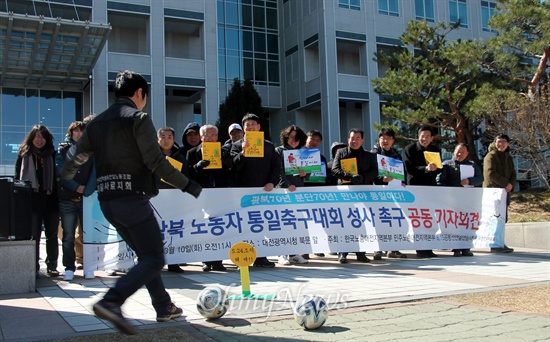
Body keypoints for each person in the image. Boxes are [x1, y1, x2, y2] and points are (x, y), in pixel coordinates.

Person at [62, 70, 202, 334]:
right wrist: (188, 185)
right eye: (145, 97)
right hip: (133, 199)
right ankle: (111, 301)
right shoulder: (138, 118)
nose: (144, 102)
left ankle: (164, 306)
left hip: (108, 201)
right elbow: (155, 162)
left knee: (145, 255)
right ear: (139, 93)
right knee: (154, 257)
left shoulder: (97, 123)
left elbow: (75, 159)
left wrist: (67, 176)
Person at [231, 113, 282, 268]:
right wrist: (243, 153)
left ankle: (261, 257)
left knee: (261, 225)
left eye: (253, 124)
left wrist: (272, 182)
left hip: (264, 192)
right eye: (247, 124)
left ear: (259, 127)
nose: (250, 126)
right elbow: (232, 167)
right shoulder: (236, 145)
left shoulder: (268, 145)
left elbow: (276, 167)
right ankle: (242, 258)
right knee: (244, 226)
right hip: (243, 193)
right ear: (243, 128)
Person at [15, 124, 60, 277]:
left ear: (47, 139)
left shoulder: (53, 154)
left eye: (43, 137)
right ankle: (33, 266)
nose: (39, 140)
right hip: (32, 202)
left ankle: (52, 265)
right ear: (31, 138)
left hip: (51, 201)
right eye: (37, 136)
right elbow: (17, 179)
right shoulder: (24, 155)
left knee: (52, 235)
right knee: (34, 235)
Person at [56, 119, 97, 281]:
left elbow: (95, 171)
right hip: (67, 198)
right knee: (68, 236)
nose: (79, 134)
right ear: (71, 133)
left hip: (86, 200)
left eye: (82, 131)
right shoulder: (63, 150)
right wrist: (76, 187)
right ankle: (69, 267)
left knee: (89, 235)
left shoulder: (91, 151)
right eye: (76, 131)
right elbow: (60, 171)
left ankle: (89, 266)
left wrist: (87, 189)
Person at [187, 124, 230, 272]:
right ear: (201, 137)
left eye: (212, 135)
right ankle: (206, 260)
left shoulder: (224, 152)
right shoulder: (192, 153)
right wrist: (197, 167)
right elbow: (187, 174)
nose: (209, 138)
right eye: (206, 135)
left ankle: (218, 260)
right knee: (203, 228)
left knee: (219, 227)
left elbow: (231, 171)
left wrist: (224, 161)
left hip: (219, 195)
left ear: (217, 137)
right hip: (201, 195)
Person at [331, 128, 378, 264]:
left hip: (363, 192)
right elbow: (334, 170)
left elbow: (375, 171)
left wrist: (362, 177)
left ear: (362, 140)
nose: (354, 141)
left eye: (358, 138)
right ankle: (342, 253)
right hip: (345, 192)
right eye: (352, 138)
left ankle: (361, 252)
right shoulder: (341, 152)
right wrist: (350, 176)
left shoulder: (369, 156)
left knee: (362, 222)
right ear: (348, 139)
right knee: (344, 222)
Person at [436, 143, 484, 256]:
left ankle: (466, 246)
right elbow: (439, 180)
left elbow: (480, 178)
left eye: (463, 152)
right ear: (454, 152)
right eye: (458, 151)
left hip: (468, 200)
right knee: (454, 223)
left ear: (467, 153)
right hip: (451, 200)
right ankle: (455, 246)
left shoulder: (472, 165)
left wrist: (469, 181)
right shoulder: (447, 164)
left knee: (466, 222)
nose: (460, 154)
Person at [403, 125, 441, 259]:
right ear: (418, 136)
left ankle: (428, 247)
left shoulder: (435, 150)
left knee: (430, 218)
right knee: (418, 218)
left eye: (427, 137)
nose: (424, 139)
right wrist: (425, 169)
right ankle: (420, 248)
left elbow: (440, 169)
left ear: (432, 138)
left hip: (430, 188)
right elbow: (409, 169)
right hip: (415, 188)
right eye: (422, 136)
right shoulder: (410, 149)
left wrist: (435, 168)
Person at [156, 126, 189, 273]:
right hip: (155, 198)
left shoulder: (180, 157)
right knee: (155, 231)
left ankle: (173, 262)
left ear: (173, 139)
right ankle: (155, 263)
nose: (166, 140)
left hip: (174, 200)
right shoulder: (151, 156)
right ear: (158, 139)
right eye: (163, 136)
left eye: (169, 137)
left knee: (173, 231)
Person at [371, 128, 407, 260]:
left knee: (394, 220)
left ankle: (393, 248)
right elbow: (371, 173)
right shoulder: (374, 154)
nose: (385, 141)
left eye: (388, 138)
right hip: (378, 193)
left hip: (394, 193)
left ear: (392, 140)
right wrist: (382, 180)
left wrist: (403, 181)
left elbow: (402, 171)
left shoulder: (396, 154)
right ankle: (377, 249)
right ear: (379, 139)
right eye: (383, 138)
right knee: (379, 220)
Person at [275, 125, 308, 265]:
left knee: (297, 223)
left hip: (299, 190)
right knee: (283, 223)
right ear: (285, 137)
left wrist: (305, 173)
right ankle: (281, 253)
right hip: (283, 191)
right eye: (291, 137)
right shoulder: (279, 151)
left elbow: (308, 172)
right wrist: (287, 185)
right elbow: (278, 171)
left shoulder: (303, 152)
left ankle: (295, 253)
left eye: (297, 138)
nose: (294, 140)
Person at [483, 134, 516, 253]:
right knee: (495, 217)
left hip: (504, 191)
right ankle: (494, 244)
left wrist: (511, 184)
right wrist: (505, 184)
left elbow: (513, 173)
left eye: (503, 142)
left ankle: (500, 242)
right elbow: (490, 173)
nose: (500, 144)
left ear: (508, 144)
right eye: (498, 141)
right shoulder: (491, 156)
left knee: (503, 217)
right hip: (494, 191)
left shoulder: (508, 157)